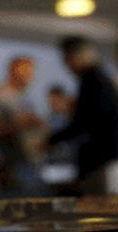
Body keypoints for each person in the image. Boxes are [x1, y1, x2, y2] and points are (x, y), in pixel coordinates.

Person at [48, 37, 118, 194]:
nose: (66, 66)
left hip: (102, 159)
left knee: (100, 211)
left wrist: (51, 140)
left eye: (67, 60)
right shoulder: (98, 79)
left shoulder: (93, 81)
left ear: (76, 56)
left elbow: (85, 122)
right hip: (104, 158)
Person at [0, 57, 48, 196]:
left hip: (30, 163)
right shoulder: (1, 96)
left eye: (31, 71)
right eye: (25, 71)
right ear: (13, 72)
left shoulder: (24, 97)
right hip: (14, 167)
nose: (30, 75)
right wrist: (22, 124)